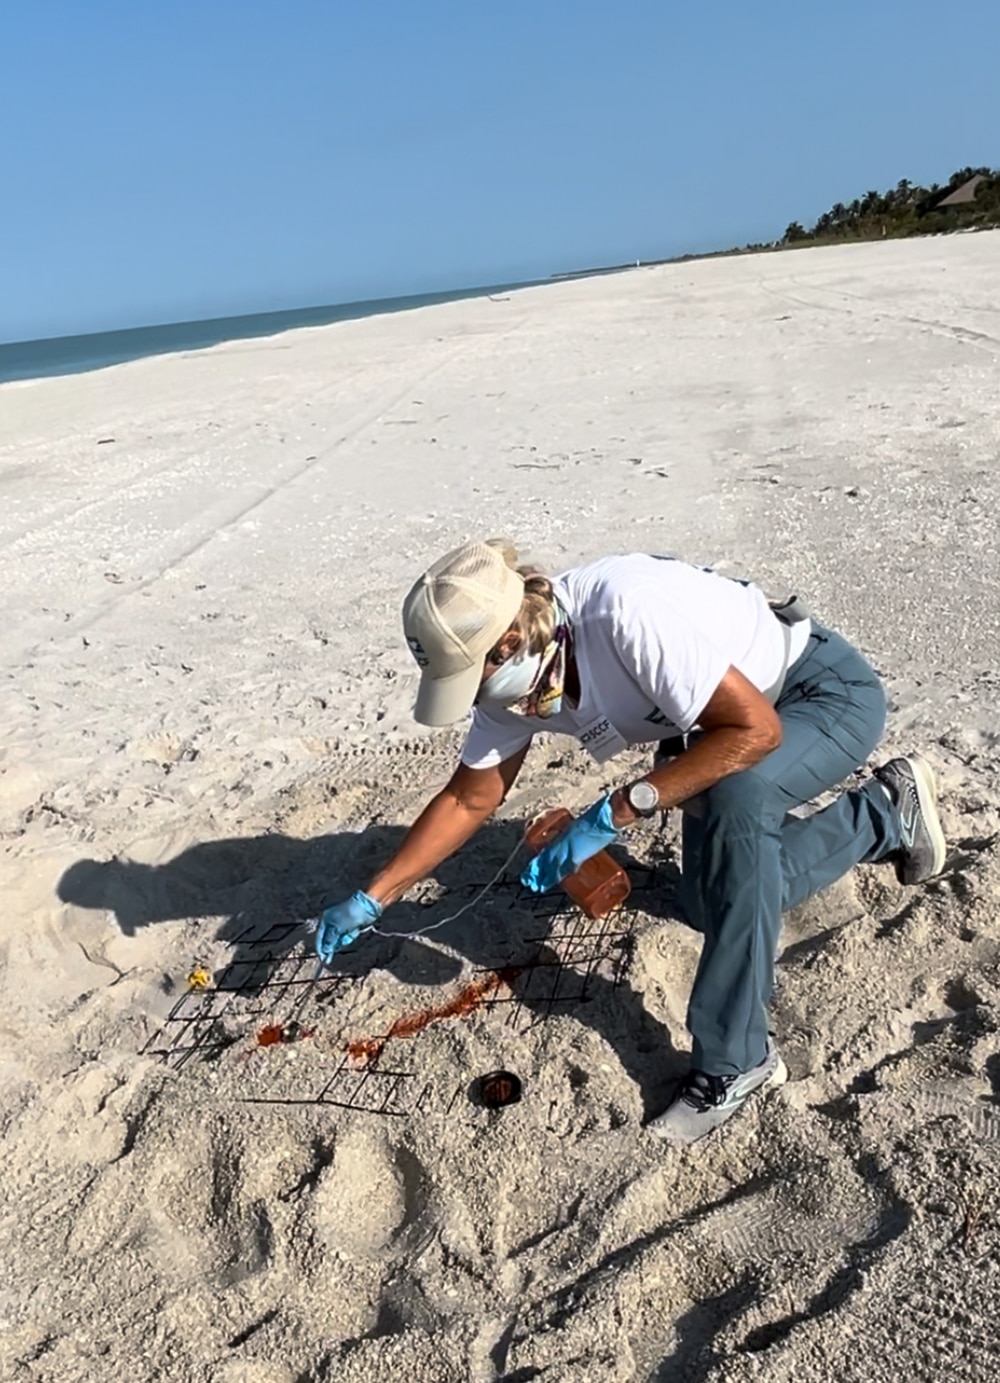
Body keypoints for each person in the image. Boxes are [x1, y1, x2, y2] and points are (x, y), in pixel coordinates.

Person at [315, 539, 946, 1144]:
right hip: (711, 726)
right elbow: (468, 798)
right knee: (709, 904)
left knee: (739, 798)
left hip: (816, 696)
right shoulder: (513, 678)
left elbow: (754, 732)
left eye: (470, 680)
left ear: (507, 642)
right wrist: (374, 897)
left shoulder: (620, 615)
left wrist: (616, 812)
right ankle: (885, 813)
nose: (474, 699)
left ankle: (737, 1061)